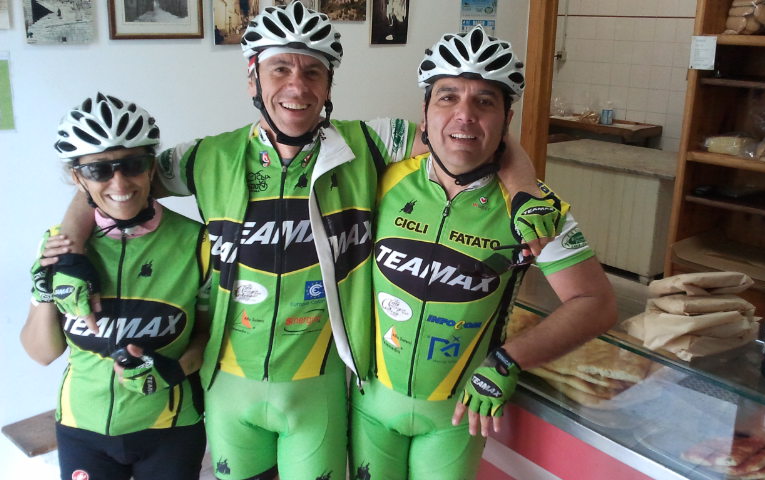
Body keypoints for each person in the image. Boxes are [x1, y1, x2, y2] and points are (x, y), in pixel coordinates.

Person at [41, 3, 566, 479]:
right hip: (228, 383)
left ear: (329, 84)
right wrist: (70, 250)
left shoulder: (370, 143)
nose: (297, 85)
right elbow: (116, 182)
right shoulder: (208, 156)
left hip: (319, 384)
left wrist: (524, 191)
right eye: (280, 69)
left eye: (313, 71)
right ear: (253, 77)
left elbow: (468, 134)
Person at [348, 26, 618, 480]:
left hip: (455, 417)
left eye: (484, 102)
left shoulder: (534, 210)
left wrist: (510, 359)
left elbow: (596, 302)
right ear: (425, 112)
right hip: (369, 404)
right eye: (448, 97)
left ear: (506, 119)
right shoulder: (382, 175)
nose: (465, 115)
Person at [21, 93, 210, 480]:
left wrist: (176, 369)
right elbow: (42, 353)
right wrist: (43, 292)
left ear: (151, 168)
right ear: (78, 177)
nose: (119, 182)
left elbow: (211, 337)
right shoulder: (59, 247)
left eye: (133, 165)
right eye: (99, 170)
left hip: (171, 427)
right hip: (82, 429)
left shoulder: (198, 243)